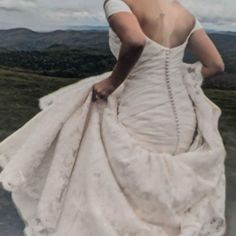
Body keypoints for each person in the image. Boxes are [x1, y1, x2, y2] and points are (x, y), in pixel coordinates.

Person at [0, 0, 227, 235]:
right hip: (183, 114)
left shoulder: (118, 2)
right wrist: (179, 78)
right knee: (168, 191)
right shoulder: (182, 12)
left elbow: (135, 41)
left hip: (141, 108)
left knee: (134, 195)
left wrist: (112, 82)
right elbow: (215, 65)